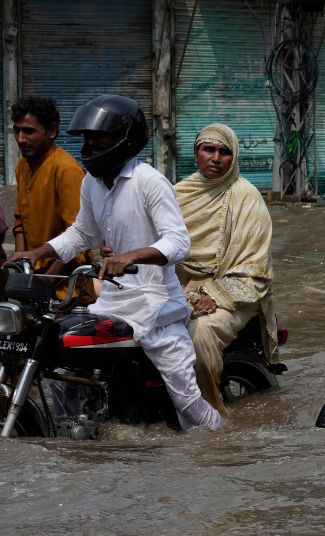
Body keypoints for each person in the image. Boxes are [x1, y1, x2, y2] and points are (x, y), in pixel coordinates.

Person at [7, 94, 223, 432]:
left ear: (124, 139)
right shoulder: (93, 183)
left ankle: (224, 442)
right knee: (64, 365)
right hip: (112, 301)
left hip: (157, 306)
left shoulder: (149, 181)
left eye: (100, 138)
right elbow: (81, 232)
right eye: (88, 139)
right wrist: (38, 252)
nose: (91, 145)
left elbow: (179, 242)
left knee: (187, 401)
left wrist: (131, 256)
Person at [174, 123, 280, 418]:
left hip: (235, 292)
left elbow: (254, 266)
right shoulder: (177, 194)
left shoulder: (247, 197)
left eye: (224, 152)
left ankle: (210, 414)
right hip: (179, 286)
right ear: (196, 154)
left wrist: (214, 294)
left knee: (199, 336)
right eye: (209, 150)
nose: (216, 158)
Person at [9, 96, 91, 285]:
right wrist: (22, 266)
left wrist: (45, 284)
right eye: (17, 131)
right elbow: (19, 222)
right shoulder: (23, 164)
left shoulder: (66, 169)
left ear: (51, 131)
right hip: (32, 275)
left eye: (29, 131)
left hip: (63, 283)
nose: (21, 139)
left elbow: (78, 239)